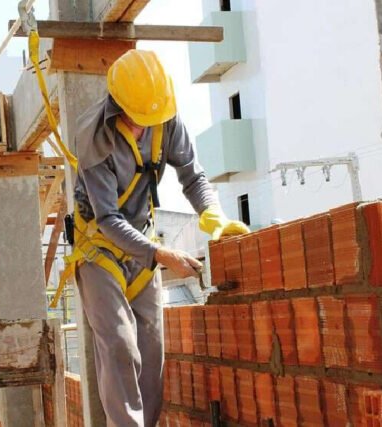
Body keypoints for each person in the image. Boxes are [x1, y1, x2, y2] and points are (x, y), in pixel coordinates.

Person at [70, 49, 249, 426]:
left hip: (144, 245)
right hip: (100, 250)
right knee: (120, 345)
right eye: (138, 118)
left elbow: (193, 176)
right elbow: (107, 219)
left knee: (151, 356)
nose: (145, 126)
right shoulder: (93, 137)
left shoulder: (165, 120)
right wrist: (161, 255)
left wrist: (212, 217)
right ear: (118, 107)